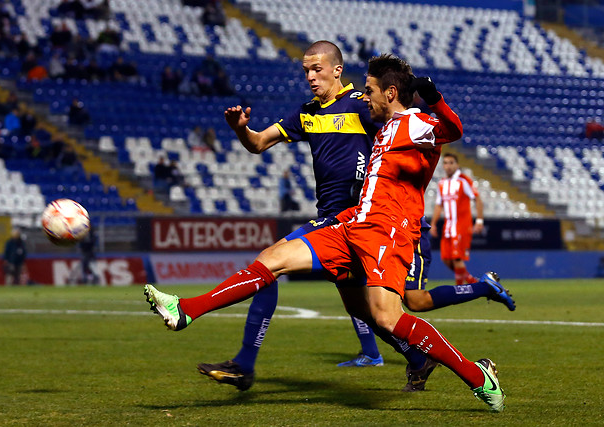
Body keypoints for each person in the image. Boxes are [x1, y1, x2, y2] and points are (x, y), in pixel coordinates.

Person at [144, 52, 506, 412]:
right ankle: (185, 310)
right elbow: (262, 142)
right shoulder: (373, 122)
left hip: (387, 230)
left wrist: (435, 98)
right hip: (351, 221)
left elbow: (453, 130)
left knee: (387, 316)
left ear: (390, 93)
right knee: (272, 260)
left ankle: (476, 376)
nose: (365, 97)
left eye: (371, 90)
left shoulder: (414, 124)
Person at [430, 153, 484, 285]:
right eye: (446, 163)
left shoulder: (463, 180)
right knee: (446, 259)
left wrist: (479, 220)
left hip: (461, 225)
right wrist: (433, 224)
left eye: (451, 163)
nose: (448, 166)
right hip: (448, 226)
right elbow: (439, 204)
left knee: (456, 258)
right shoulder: (442, 183)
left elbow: (477, 199)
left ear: (457, 165)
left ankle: (459, 289)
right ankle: (472, 281)